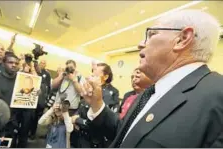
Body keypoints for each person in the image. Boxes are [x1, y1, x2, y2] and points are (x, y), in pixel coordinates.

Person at [80, 10, 223, 148]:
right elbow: (125, 133)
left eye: (152, 34)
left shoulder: (217, 95)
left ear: (182, 39)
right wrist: (96, 103)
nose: (141, 44)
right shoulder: (149, 92)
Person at [29, 59, 51, 140]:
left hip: (40, 100)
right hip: (31, 96)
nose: (42, 64)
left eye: (44, 63)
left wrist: (46, 98)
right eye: (41, 62)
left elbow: (48, 87)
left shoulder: (47, 74)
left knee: (35, 117)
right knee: (29, 116)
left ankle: (32, 133)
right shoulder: (34, 71)